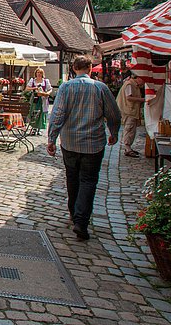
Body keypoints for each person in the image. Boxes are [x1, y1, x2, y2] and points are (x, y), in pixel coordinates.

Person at [46, 55, 121, 241]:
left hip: (70, 142)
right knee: (88, 181)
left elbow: (57, 115)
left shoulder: (65, 87)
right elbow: (114, 114)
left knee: (72, 178)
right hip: (93, 143)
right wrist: (114, 132)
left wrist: (51, 138)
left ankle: (74, 213)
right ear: (89, 68)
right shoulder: (100, 88)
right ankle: (81, 221)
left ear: (73, 68)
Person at [116, 72, 146, 158]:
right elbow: (128, 97)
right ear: (139, 78)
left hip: (131, 110)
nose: (143, 84)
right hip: (128, 110)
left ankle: (128, 148)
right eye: (143, 81)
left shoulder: (134, 85)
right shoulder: (129, 84)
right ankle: (127, 148)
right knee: (129, 128)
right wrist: (142, 100)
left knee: (131, 129)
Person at [27, 68, 52, 132]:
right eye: (38, 72)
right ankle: (33, 128)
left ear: (42, 74)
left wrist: (47, 93)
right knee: (34, 112)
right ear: (36, 73)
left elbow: (50, 89)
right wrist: (34, 88)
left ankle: (39, 128)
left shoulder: (46, 81)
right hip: (35, 99)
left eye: (40, 73)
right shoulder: (32, 80)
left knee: (41, 113)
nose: (39, 74)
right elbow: (27, 88)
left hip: (43, 99)